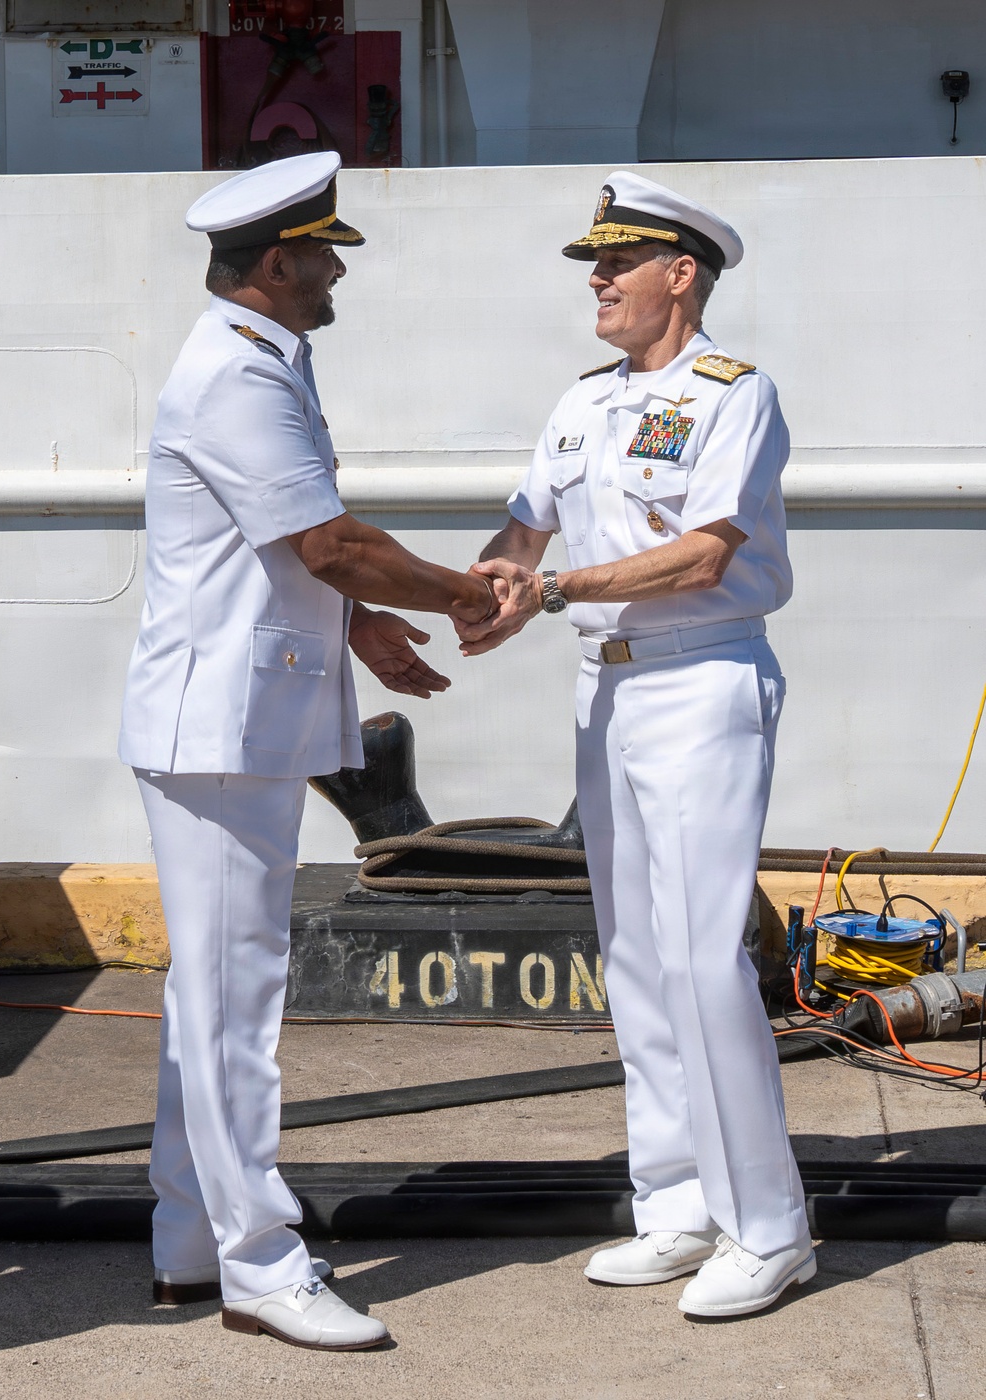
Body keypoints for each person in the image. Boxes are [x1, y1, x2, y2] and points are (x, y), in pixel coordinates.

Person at [118, 151, 496, 1351]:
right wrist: (464, 593)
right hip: (221, 730)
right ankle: (260, 1263)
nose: (337, 274)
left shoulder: (262, 356)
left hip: (230, 722)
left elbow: (281, 548)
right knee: (233, 1003)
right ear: (278, 263)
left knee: (209, 997)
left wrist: (367, 625)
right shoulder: (239, 372)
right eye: (324, 256)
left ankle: (190, 1237)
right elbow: (329, 542)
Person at [458, 171, 813, 1318]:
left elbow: (706, 551)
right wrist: (467, 592)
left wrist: (552, 587)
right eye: (593, 263)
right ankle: (676, 1203)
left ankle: (770, 1226)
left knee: (703, 959)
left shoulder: (733, 394)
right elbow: (522, 530)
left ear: (682, 273)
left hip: (700, 677)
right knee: (638, 959)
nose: (598, 280)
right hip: (603, 688)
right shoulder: (582, 404)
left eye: (617, 261)